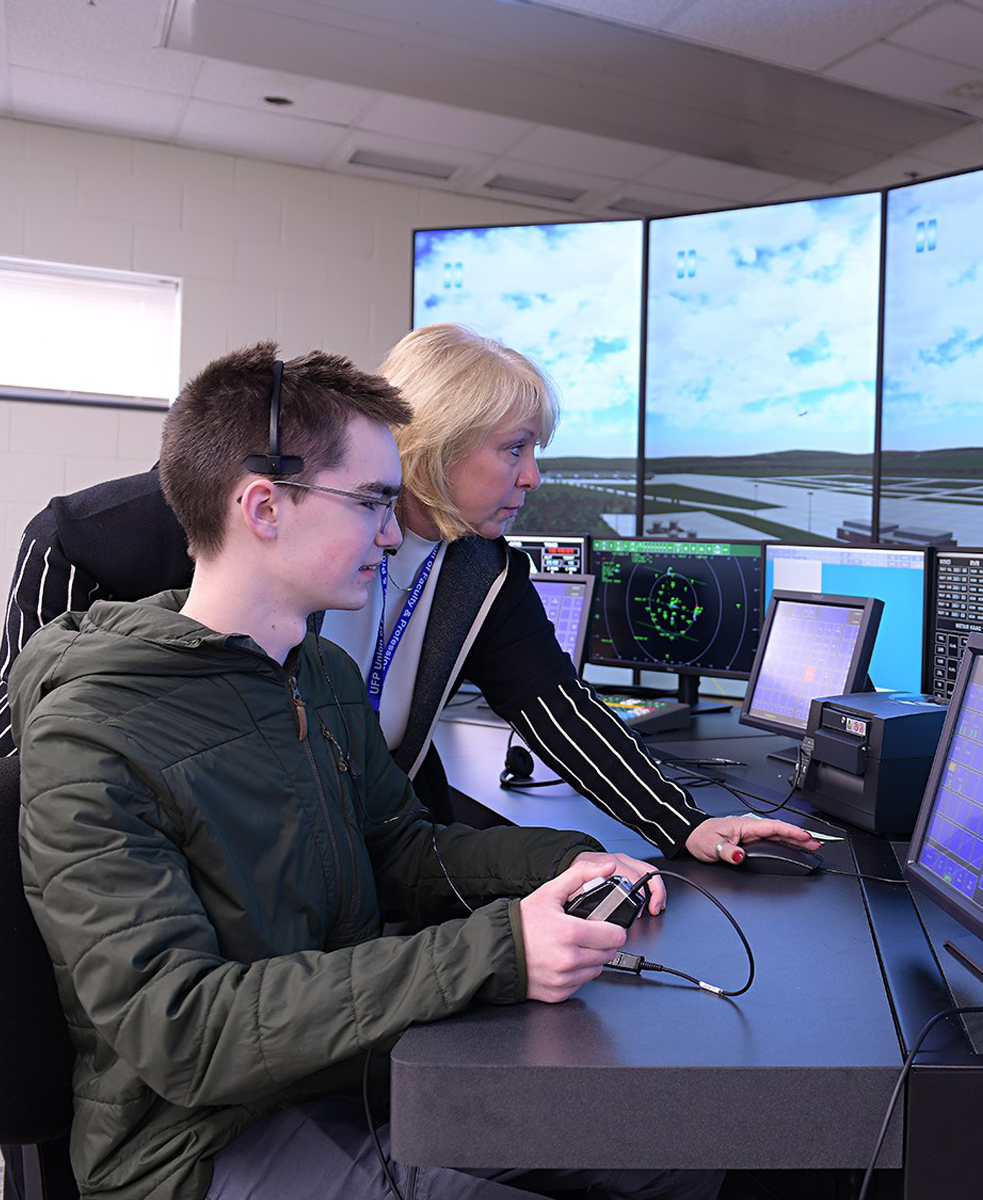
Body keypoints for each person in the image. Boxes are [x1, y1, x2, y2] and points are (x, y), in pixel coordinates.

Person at [12, 344, 721, 1200]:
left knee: (683, 1144)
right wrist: (498, 950)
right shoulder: (89, 737)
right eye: (373, 504)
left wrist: (561, 863)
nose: (393, 534)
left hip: (338, 1064)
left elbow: (401, 851)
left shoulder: (321, 678)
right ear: (264, 508)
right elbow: (186, 1031)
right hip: (194, 1139)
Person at [0, 322, 815, 877]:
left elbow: (553, 706)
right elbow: (68, 540)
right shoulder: (261, 513)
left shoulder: (478, 565)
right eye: (516, 449)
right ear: (441, 441)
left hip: (354, 835)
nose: (533, 477)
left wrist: (684, 824)